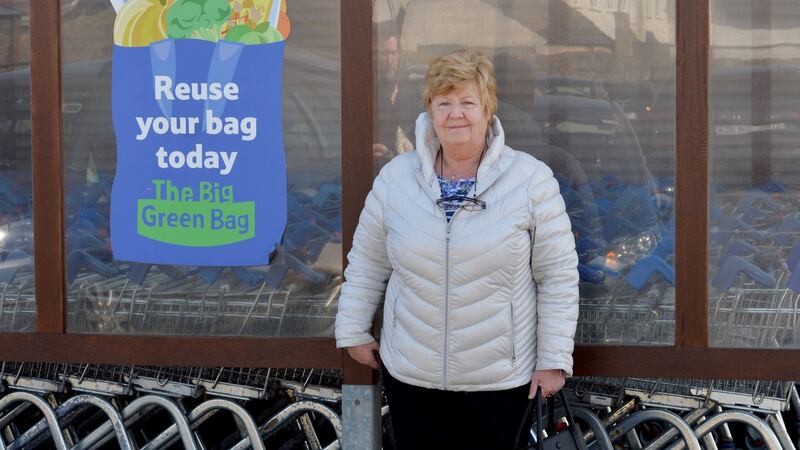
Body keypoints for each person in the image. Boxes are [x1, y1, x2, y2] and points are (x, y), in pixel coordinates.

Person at [335, 49, 579, 450]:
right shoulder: (396, 179)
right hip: (412, 375)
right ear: (430, 111)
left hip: (500, 379)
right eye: (443, 103)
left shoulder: (531, 181)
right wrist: (352, 329)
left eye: (467, 102)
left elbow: (556, 277)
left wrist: (552, 360)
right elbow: (367, 261)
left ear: (488, 110)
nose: (456, 114)